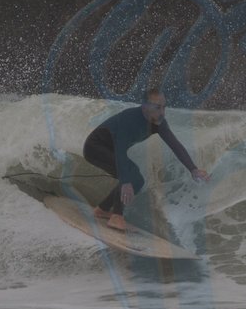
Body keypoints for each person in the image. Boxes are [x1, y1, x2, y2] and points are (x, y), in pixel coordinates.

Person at [83, 89, 210, 231]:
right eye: (157, 107)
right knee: (130, 176)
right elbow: (120, 149)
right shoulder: (129, 118)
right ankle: (116, 216)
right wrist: (125, 181)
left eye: (164, 107)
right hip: (95, 147)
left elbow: (175, 145)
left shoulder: (159, 123)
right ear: (144, 107)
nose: (162, 112)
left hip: (110, 150)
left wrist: (193, 169)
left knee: (138, 181)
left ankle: (102, 210)